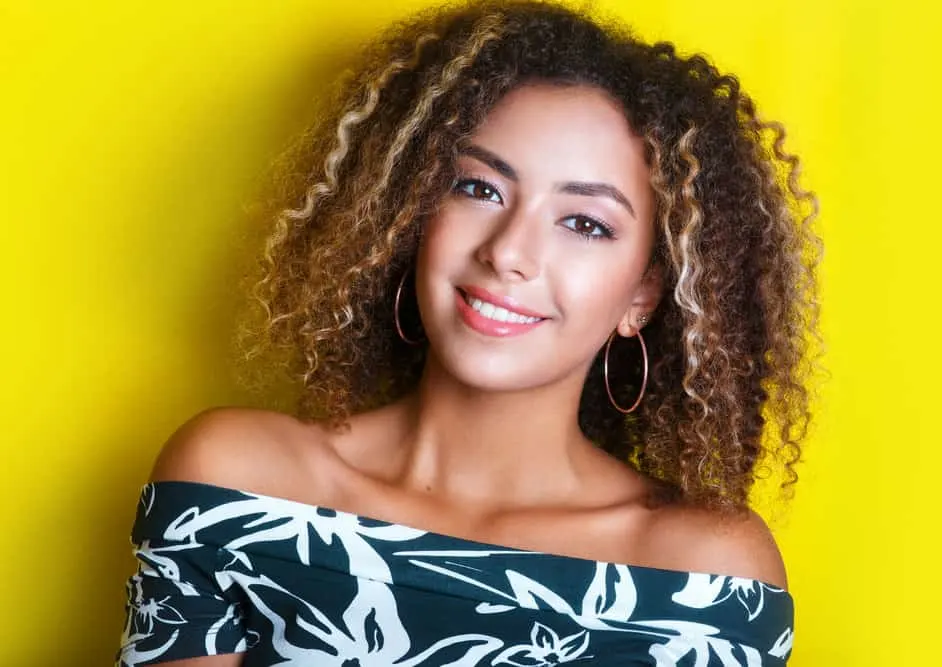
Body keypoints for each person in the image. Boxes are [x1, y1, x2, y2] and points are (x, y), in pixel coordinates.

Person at [116, 0, 820, 665]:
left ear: (641, 295)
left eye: (584, 223)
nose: (509, 251)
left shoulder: (703, 576)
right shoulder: (238, 484)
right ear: (410, 215)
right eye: (479, 188)